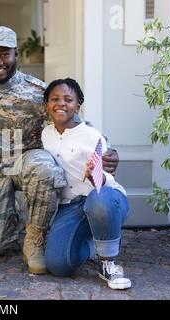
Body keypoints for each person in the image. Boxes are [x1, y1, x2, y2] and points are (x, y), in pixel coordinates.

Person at [0, 26, 120, 274]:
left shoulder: (37, 92)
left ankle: (35, 237)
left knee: (43, 166)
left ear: (16, 54)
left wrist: (107, 149)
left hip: (28, 165)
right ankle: (18, 220)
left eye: (4, 54)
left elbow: (77, 123)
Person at [42, 78, 131, 290]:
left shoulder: (92, 136)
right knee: (57, 265)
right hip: (71, 205)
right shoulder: (45, 134)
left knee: (98, 198)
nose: (61, 104)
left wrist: (94, 175)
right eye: (54, 99)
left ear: (77, 106)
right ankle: (92, 243)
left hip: (104, 198)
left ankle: (108, 262)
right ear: (47, 104)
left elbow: (105, 181)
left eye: (68, 99)